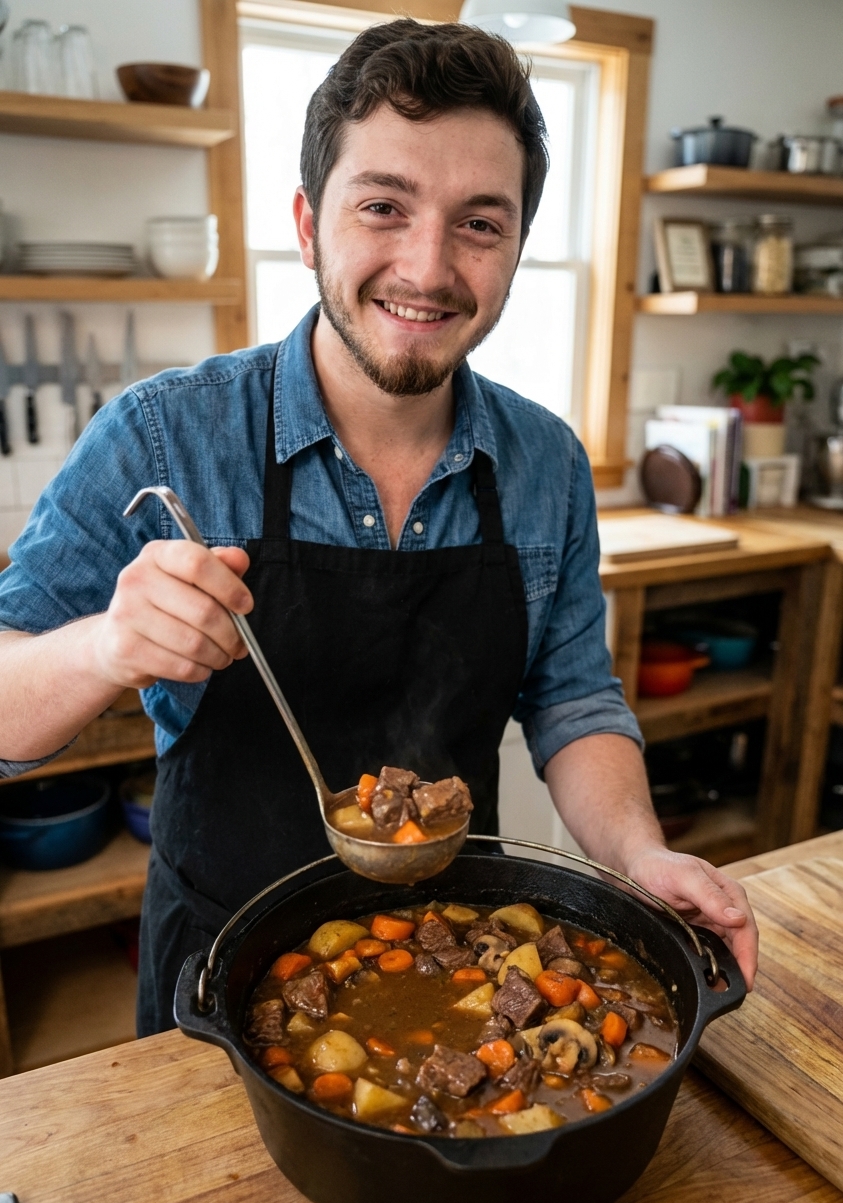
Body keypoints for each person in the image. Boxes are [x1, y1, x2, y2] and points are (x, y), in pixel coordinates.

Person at [0, 20, 757, 1034]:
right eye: (384, 207)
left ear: (517, 247)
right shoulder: (163, 435)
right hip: (219, 977)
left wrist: (641, 854)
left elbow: (574, 701)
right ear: (310, 225)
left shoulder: (546, 463)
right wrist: (104, 645)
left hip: (471, 974)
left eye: (479, 223)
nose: (429, 266)